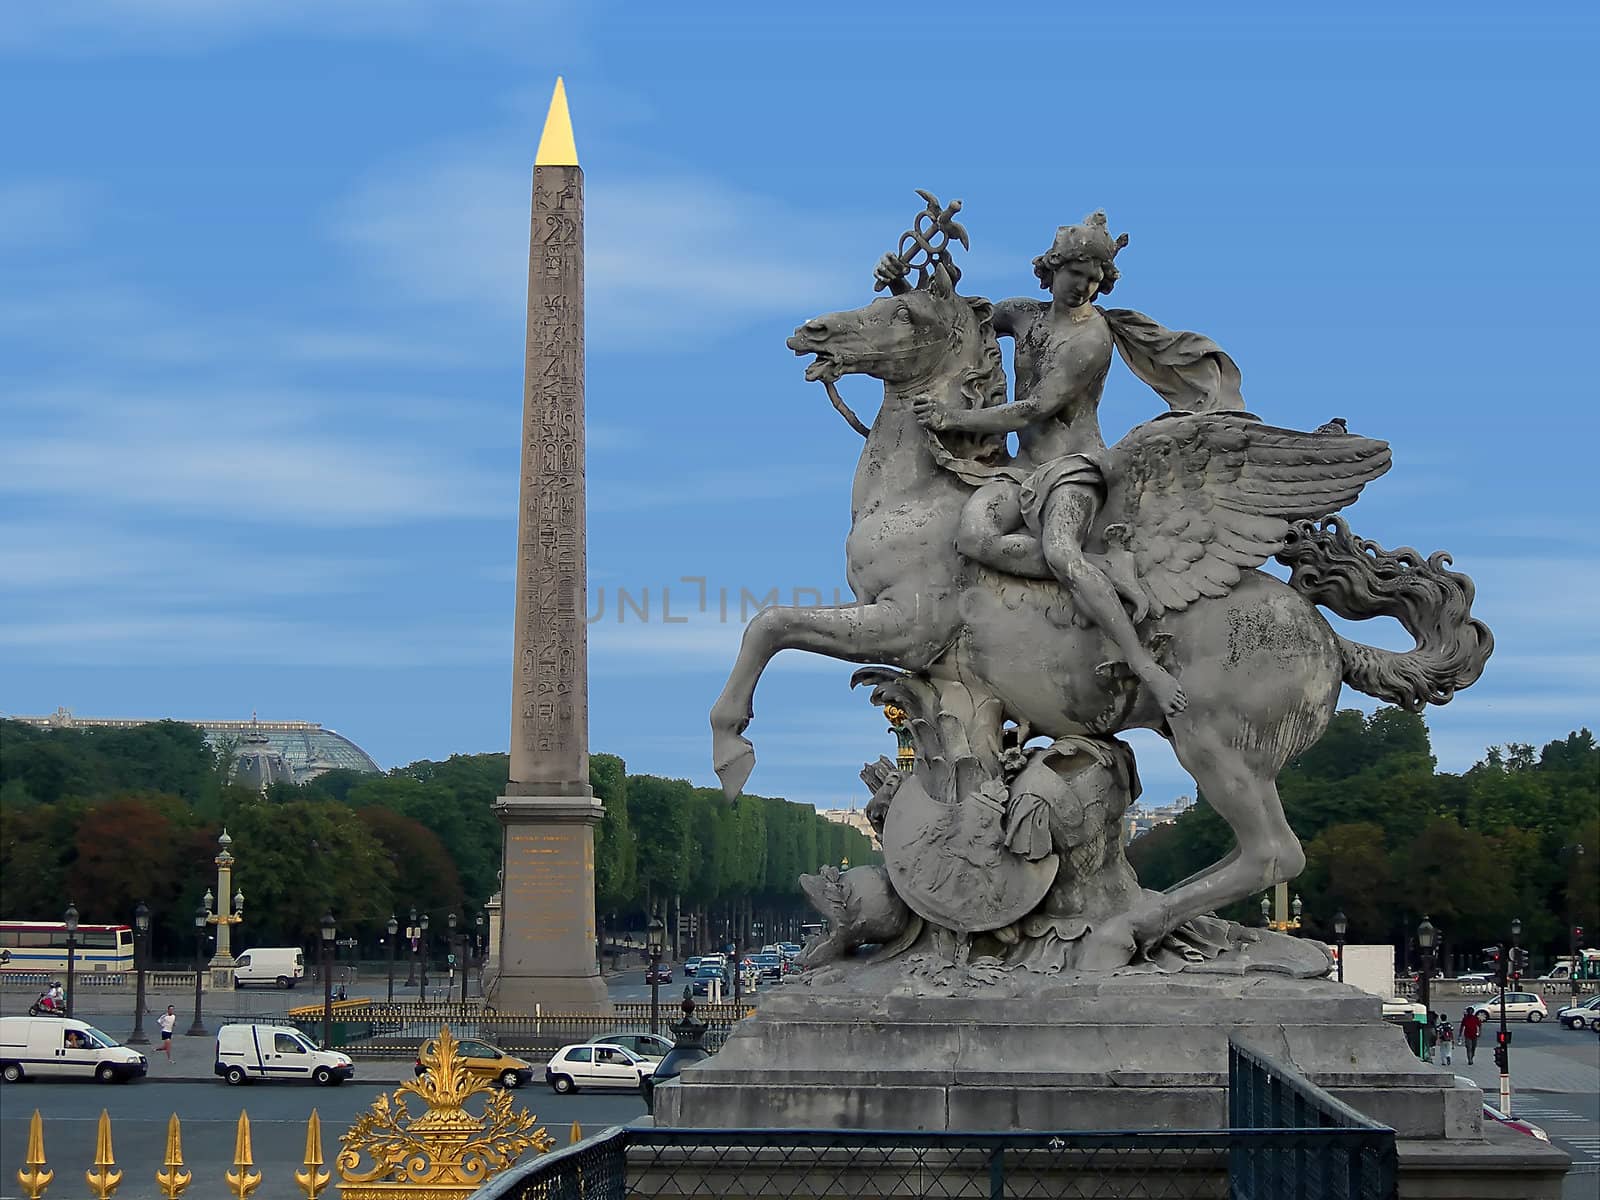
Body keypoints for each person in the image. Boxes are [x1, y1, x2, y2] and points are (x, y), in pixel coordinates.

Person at [881, 212, 1245, 716]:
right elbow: (957, 323)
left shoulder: (1091, 338)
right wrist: (902, 285)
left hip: (1074, 467)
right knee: (972, 536)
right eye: (1078, 275)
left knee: (1058, 551)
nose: (1086, 287)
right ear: (1052, 269)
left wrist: (953, 417)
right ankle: (1099, 569)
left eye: (1096, 281)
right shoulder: (1022, 315)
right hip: (1021, 468)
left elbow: (1035, 407)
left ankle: (1144, 664)